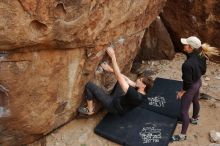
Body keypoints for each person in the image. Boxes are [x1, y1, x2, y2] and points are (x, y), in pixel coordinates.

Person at [172, 36, 220, 141]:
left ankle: (182, 136)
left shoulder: (187, 65)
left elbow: (187, 83)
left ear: (190, 47)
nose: (183, 45)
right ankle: (194, 119)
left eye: (185, 44)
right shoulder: (201, 54)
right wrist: (196, 75)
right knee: (195, 100)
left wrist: (181, 92)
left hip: (191, 86)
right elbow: (203, 71)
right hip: (198, 82)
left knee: (183, 112)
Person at [78, 46, 150, 115]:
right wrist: (110, 69)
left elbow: (119, 77)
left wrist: (113, 57)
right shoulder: (142, 92)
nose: (137, 79)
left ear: (143, 85)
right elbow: (126, 79)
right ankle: (106, 95)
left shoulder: (135, 96)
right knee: (123, 80)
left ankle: (90, 110)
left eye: (140, 80)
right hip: (119, 101)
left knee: (89, 85)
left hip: (113, 106)